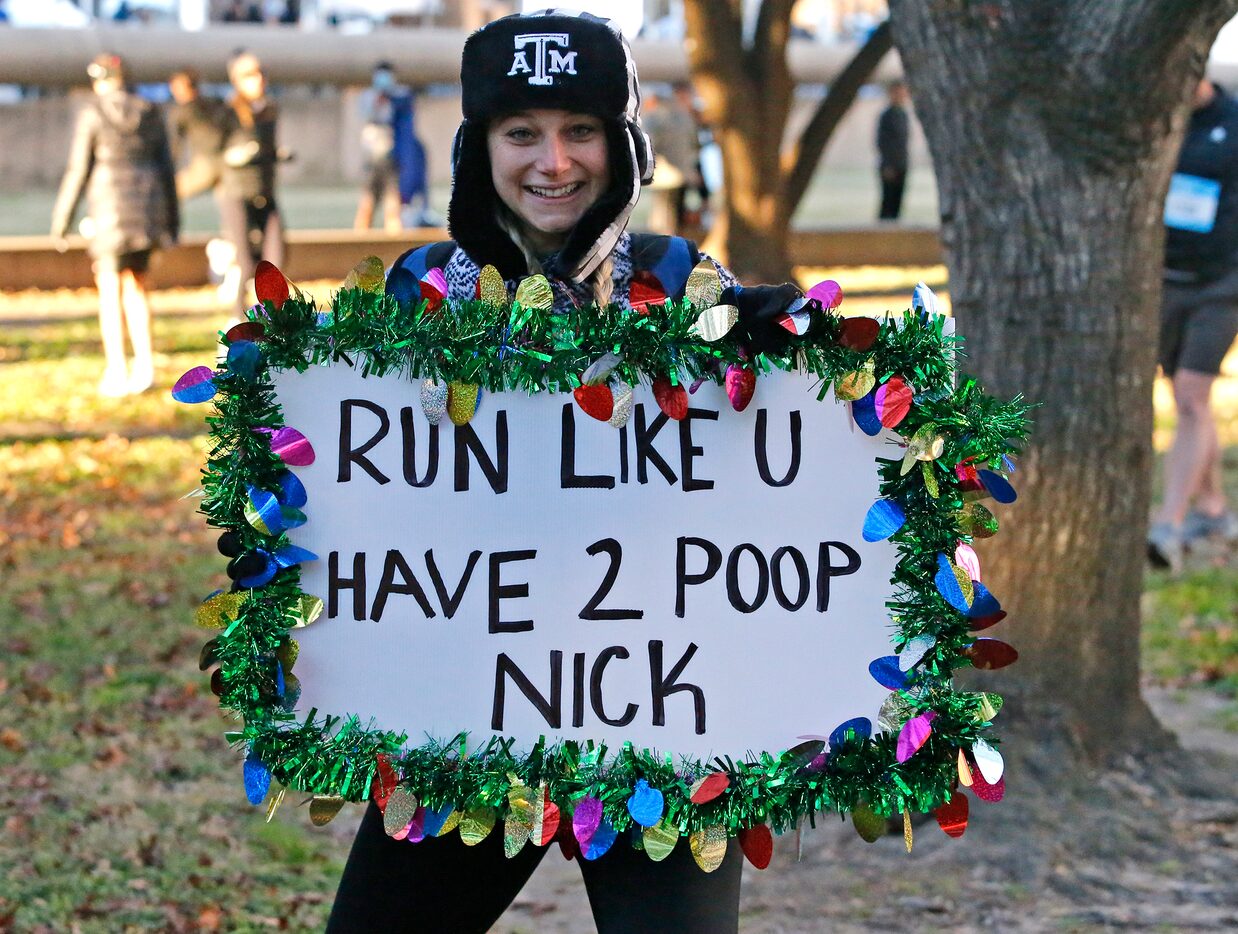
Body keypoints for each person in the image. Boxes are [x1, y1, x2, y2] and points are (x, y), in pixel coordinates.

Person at [328, 12, 810, 933]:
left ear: (623, 146)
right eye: (522, 133)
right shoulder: (414, 297)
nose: (554, 161)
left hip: (660, 735)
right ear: (481, 149)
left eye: (581, 131)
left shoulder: (679, 282)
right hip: (469, 720)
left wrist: (785, 348)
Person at [1147, 77, 1238, 570]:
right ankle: (1215, 510)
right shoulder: (1160, 119)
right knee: (1186, 402)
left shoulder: (1234, 121)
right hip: (1166, 278)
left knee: (1190, 395)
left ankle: (1169, 522)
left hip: (1222, 284)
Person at [51, 53, 178, 397]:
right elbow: (167, 168)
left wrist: (62, 218)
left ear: (98, 80)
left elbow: (79, 168)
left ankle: (117, 367)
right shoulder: (151, 112)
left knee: (109, 289)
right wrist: (173, 221)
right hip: (146, 208)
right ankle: (146, 364)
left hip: (108, 208)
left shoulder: (92, 112)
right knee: (138, 285)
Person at [217, 50, 287, 313]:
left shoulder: (269, 109)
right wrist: (234, 156)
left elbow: (266, 149)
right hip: (237, 193)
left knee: (275, 261)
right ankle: (239, 317)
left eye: (260, 73)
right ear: (236, 80)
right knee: (245, 263)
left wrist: (276, 155)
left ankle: (272, 318)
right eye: (249, 75)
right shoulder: (227, 113)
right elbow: (215, 151)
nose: (258, 80)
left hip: (265, 193)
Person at [353, 61, 432, 233]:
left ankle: (393, 235)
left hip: (391, 154)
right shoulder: (368, 96)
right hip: (372, 154)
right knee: (368, 197)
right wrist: (378, 100)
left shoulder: (400, 95)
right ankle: (360, 234)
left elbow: (403, 114)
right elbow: (368, 114)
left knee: (393, 197)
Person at [642, 85, 701, 236]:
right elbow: (694, 144)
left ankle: (664, 242)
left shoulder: (653, 118)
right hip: (680, 174)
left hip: (663, 173)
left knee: (663, 214)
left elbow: (648, 143)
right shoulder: (685, 118)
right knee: (673, 212)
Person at [167, 68, 226, 201]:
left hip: (207, 163)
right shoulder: (216, 103)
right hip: (223, 162)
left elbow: (174, 145)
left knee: (168, 193)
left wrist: (168, 171)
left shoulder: (183, 111)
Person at [876, 80, 910, 221]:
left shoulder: (903, 114)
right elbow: (882, 142)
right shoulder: (887, 116)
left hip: (902, 163)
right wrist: (888, 165)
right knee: (888, 201)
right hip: (890, 165)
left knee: (897, 201)